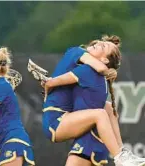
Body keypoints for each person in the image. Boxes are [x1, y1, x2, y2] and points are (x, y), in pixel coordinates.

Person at [41, 35, 145, 166]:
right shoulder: (85, 64)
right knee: (102, 112)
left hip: (62, 121)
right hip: (56, 122)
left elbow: (50, 84)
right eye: (101, 42)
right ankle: (120, 156)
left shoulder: (86, 67)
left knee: (106, 108)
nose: (99, 43)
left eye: (104, 46)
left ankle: (121, 153)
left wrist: (47, 85)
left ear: (104, 59)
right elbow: (100, 68)